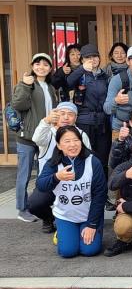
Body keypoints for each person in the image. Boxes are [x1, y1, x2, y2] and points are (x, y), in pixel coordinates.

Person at [36, 126, 106, 258]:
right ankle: (62, 231)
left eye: (76, 140)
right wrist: (56, 177)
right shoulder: (53, 163)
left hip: (88, 216)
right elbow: (40, 185)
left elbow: (100, 195)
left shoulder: (93, 161)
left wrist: (92, 225)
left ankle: (89, 230)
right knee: (67, 252)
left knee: (89, 250)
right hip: (65, 216)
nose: (73, 145)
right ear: (59, 145)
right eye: (67, 141)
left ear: (81, 142)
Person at [29, 102, 92, 233]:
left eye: (70, 114)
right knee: (34, 204)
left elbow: (89, 159)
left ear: (76, 118)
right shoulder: (48, 132)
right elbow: (36, 139)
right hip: (51, 180)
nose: (66, 117)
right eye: (62, 113)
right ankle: (49, 218)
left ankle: (75, 221)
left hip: (75, 182)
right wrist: (46, 121)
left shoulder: (81, 135)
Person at [12, 52, 58, 222]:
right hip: (27, 138)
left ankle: (37, 204)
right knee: (24, 175)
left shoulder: (50, 87)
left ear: (50, 68)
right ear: (32, 66)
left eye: (45, 64)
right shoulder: (26, 84)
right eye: (37, 64)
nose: (41, 67)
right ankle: (22, 208)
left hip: (45, 137)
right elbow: (18, 104)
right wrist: (25, 85)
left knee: (43, 174)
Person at [67, 44, 111, 171]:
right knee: (84, 156)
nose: (92, 59)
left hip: (102, 122)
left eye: (95, 56)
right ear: (82, 60)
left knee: (102, 158)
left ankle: (101, 183)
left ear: (99, 58)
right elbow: (68, 82)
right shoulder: (79, 75)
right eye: (88, 57)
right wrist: (82, 69)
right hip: (84, 122)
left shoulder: (105, 76)